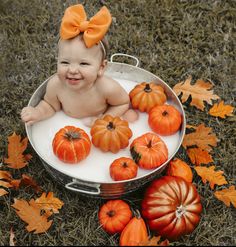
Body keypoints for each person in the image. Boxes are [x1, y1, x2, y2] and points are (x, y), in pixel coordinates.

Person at [21, 4, 138, 127]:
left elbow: (122, 103)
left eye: (83, 63)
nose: (72, 70)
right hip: (68, 129)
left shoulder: (106, 87)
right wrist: (38, 112)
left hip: (101, 125)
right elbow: (50, 105)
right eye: (65, 62)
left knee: (131, 117)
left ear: (101, 67)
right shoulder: (56, 86)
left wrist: (104, 120)